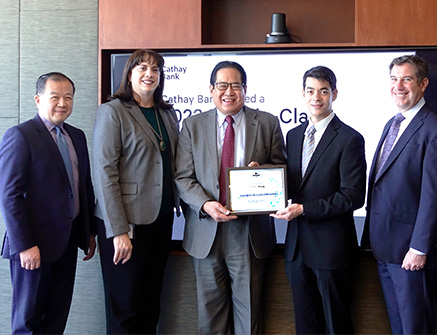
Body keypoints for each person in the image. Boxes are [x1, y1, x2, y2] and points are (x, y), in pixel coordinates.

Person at [175, 60, 286, 334]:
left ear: (245, 89)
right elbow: (182, 177)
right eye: (222, 85)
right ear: (211, 90)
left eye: (235, 85)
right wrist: (205, 204)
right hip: (206, 231)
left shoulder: (268, 123)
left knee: (249, 316)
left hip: (249, 233)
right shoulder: (192, 125)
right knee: (210, 318)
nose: (229, 91)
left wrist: (263, 173)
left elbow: (282, 169)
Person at [271, 66, 366, 334]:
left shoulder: (349, 139)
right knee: (305, 324)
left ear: (334, 94)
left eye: (323, 91)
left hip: (331, 249)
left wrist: (305, 209)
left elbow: (353, 195)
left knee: (336, 323)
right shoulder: (294, 135)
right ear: (303, 94)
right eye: (311, 90)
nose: (316, 97)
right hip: (296, 249)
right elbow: (293, 184)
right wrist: (262, 175)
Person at [0, 72, 96, 334]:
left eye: (68, 97)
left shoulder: (76, 136)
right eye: (55, 97)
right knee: (28, 323)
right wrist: (25, 245)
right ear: (38, 99)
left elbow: (82, 187)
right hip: (33, 248)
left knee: (56, 319)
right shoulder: (21, 136)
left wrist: (88, 232)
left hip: (67, 245)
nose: (62, 103)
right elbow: (9, 196)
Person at [93, 49, 180, 334]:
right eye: (142, 68)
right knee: (125, 307)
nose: (149, 74)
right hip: (126, 224)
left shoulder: (167, 114)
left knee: (150, 304)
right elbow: (105, 173)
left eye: (155, 69)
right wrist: (118, 231)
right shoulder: (113, 111)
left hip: (161, 220)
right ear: (129, 74)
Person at [361, 55, 437, 334]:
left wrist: (419, 248)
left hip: (411, 252)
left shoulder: (434, 128)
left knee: (415, 328)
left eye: (407, 79)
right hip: (385, 246)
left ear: (423, 84)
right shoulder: (392, 123)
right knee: (399, 325)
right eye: (394, 79)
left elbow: (434, 196)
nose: (399, 85)